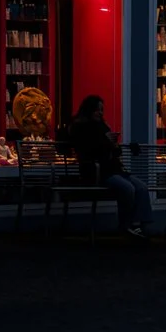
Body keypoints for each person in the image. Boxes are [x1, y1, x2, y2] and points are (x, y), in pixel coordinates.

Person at [64, 94, 146, 240]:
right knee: (128, 188)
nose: (100, 113)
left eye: (102, 110)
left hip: (114, 168)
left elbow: (114, 151)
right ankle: (125, 225)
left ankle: (138, 225)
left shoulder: (104, 126)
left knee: (141, 187)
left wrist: (114, 144)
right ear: (89, 110)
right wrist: (107, 143)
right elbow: (88, 149)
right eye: (97, 109)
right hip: (97, 171)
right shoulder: (80, 127)